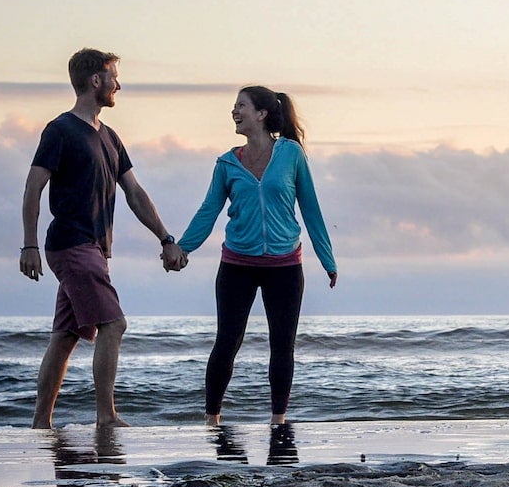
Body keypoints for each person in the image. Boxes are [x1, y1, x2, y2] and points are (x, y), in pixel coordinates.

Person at [20, 48, 187, 429]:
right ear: (95, 80)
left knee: (65, 336)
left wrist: (165, 237)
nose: (118, 84)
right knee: (114, 324)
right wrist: (29, 244)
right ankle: (106, 417)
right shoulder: (60, 130)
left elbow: (135, 192)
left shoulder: (110, 137)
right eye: (113, 76)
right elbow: (33, 187)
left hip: (94, 248)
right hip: (72, 244)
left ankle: (40, 423)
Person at [177, 86, 337, 427]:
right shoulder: (226, 163)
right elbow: (209, 211)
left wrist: (327, 259)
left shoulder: (290, 154)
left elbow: (310, 207)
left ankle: (278, 421)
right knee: (227, 342)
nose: (234, 111)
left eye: (241, 106)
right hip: (237, 265)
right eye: (234, 106)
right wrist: (182, 247)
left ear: (261, 114)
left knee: (282, 345)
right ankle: (212, 420)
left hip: (285, 266)